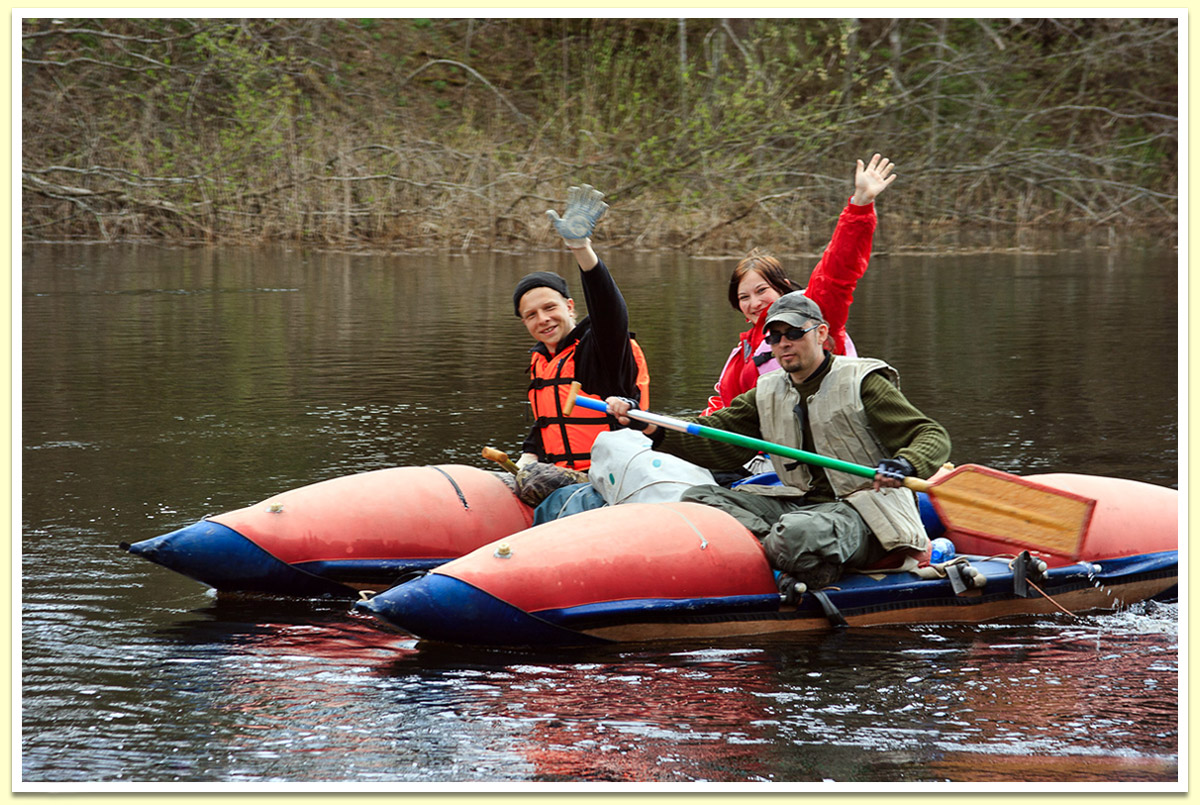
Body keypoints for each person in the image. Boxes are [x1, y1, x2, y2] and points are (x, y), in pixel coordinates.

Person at [606, 291, 951, 596]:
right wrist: (652, 426)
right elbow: (714, 436)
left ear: (821, 334)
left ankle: (791, 555)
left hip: (865, 511)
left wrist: (904, 463)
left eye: (794, 333)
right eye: (774, 336)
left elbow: (930, 435)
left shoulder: (863, 381)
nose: (783, 343)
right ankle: (802, 562)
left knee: (794, 535)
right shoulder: (768, 391)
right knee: (696, 499)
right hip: (801, 507)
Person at [705, 153, 897, 416]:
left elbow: (837, 272)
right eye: (744, 297)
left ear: (782, 288)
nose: (754, 303)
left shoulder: (814, 314)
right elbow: (723, 405)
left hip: (812, 444)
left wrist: (859, 206)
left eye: (762, 290)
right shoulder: (745, 348)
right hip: (754, 446)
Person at [513, 184, 650, 482]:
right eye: (531, 315)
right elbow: (548, 421)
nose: (543, 319)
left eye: (550, 308)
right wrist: (528, 455)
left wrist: (581, 249)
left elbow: (610, 310)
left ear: (570, 306)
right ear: (524, 323)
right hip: (560, 473)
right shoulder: (543, 360)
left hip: (611, 477)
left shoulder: (602, 348)